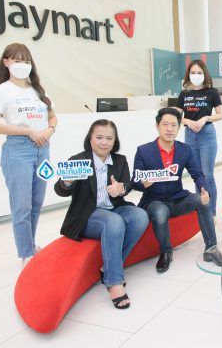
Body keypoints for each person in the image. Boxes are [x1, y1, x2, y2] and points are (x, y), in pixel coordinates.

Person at [55, 120, 148, 309]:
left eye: (109, 138)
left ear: (114, 141)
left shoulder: (120, 160)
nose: (104, 142)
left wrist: (121, 188)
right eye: (99, 137)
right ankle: (114, 282)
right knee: (114, 222)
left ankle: (108, 268)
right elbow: (60, 190)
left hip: (114, 207)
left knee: (140, 216)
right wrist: (67, 182)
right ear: (90, 139)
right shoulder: (78, 160)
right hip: (87, 215)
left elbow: (127, 184)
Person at [0, 43, 57, 267]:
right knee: (22, 205)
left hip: (42, 149)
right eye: (17, 61)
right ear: (6, 62)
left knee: (36, 202)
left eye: (26, 61)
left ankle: (30, 244)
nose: (22, 65)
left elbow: (53, 117)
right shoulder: (2, 91)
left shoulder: (38, 90)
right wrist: (27, 131)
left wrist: (49, 130)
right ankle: (26, 253)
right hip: (18, 151)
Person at [132, 108, 222, 273]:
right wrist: (143, 184)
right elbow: (135, 181)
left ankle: (211, 248)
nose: (169, 129)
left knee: (201, 201)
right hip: (154, 201)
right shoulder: (143, 151)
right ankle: (166, 252)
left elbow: (197, 174)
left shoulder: (184, 149)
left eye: (173, 125)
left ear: (178, 128)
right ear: (157, 126)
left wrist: (204, 190)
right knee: (160, 212)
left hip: (178, 198)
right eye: (165, 125)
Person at [177, 59, 222, 216]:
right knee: (197, 176)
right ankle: (202, 210)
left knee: (208, 175)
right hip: (190, 136)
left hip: (207, 135)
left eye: (199, 72)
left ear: (205, 74)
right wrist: (188, 121)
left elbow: (220, 115)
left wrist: (206, 118)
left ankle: (211, 212)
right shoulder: (184, 94)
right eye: (193, 72)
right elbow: (176, 116)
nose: (196, 75)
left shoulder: (211, 92)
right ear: (188, 75)